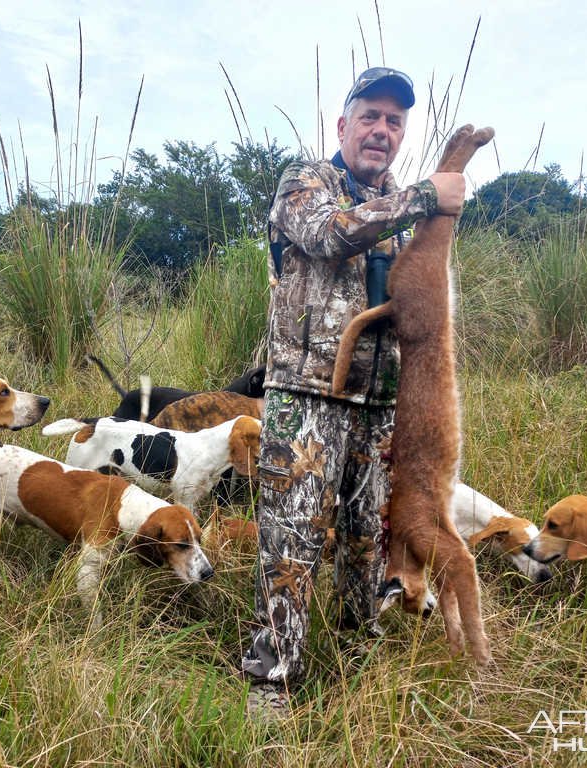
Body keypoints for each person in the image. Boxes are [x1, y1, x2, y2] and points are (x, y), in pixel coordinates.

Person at [242, 67, 467, 719]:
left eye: (395, 121)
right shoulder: (306, 182)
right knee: (292, 538)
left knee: (370, 536)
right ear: (342, 125)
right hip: (307, 396)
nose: (382, 130)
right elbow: (330, 233)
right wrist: (428, 195)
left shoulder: (401, 204)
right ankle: (271, 680)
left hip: (378, 405)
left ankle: (358, 656)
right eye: (370, 116)